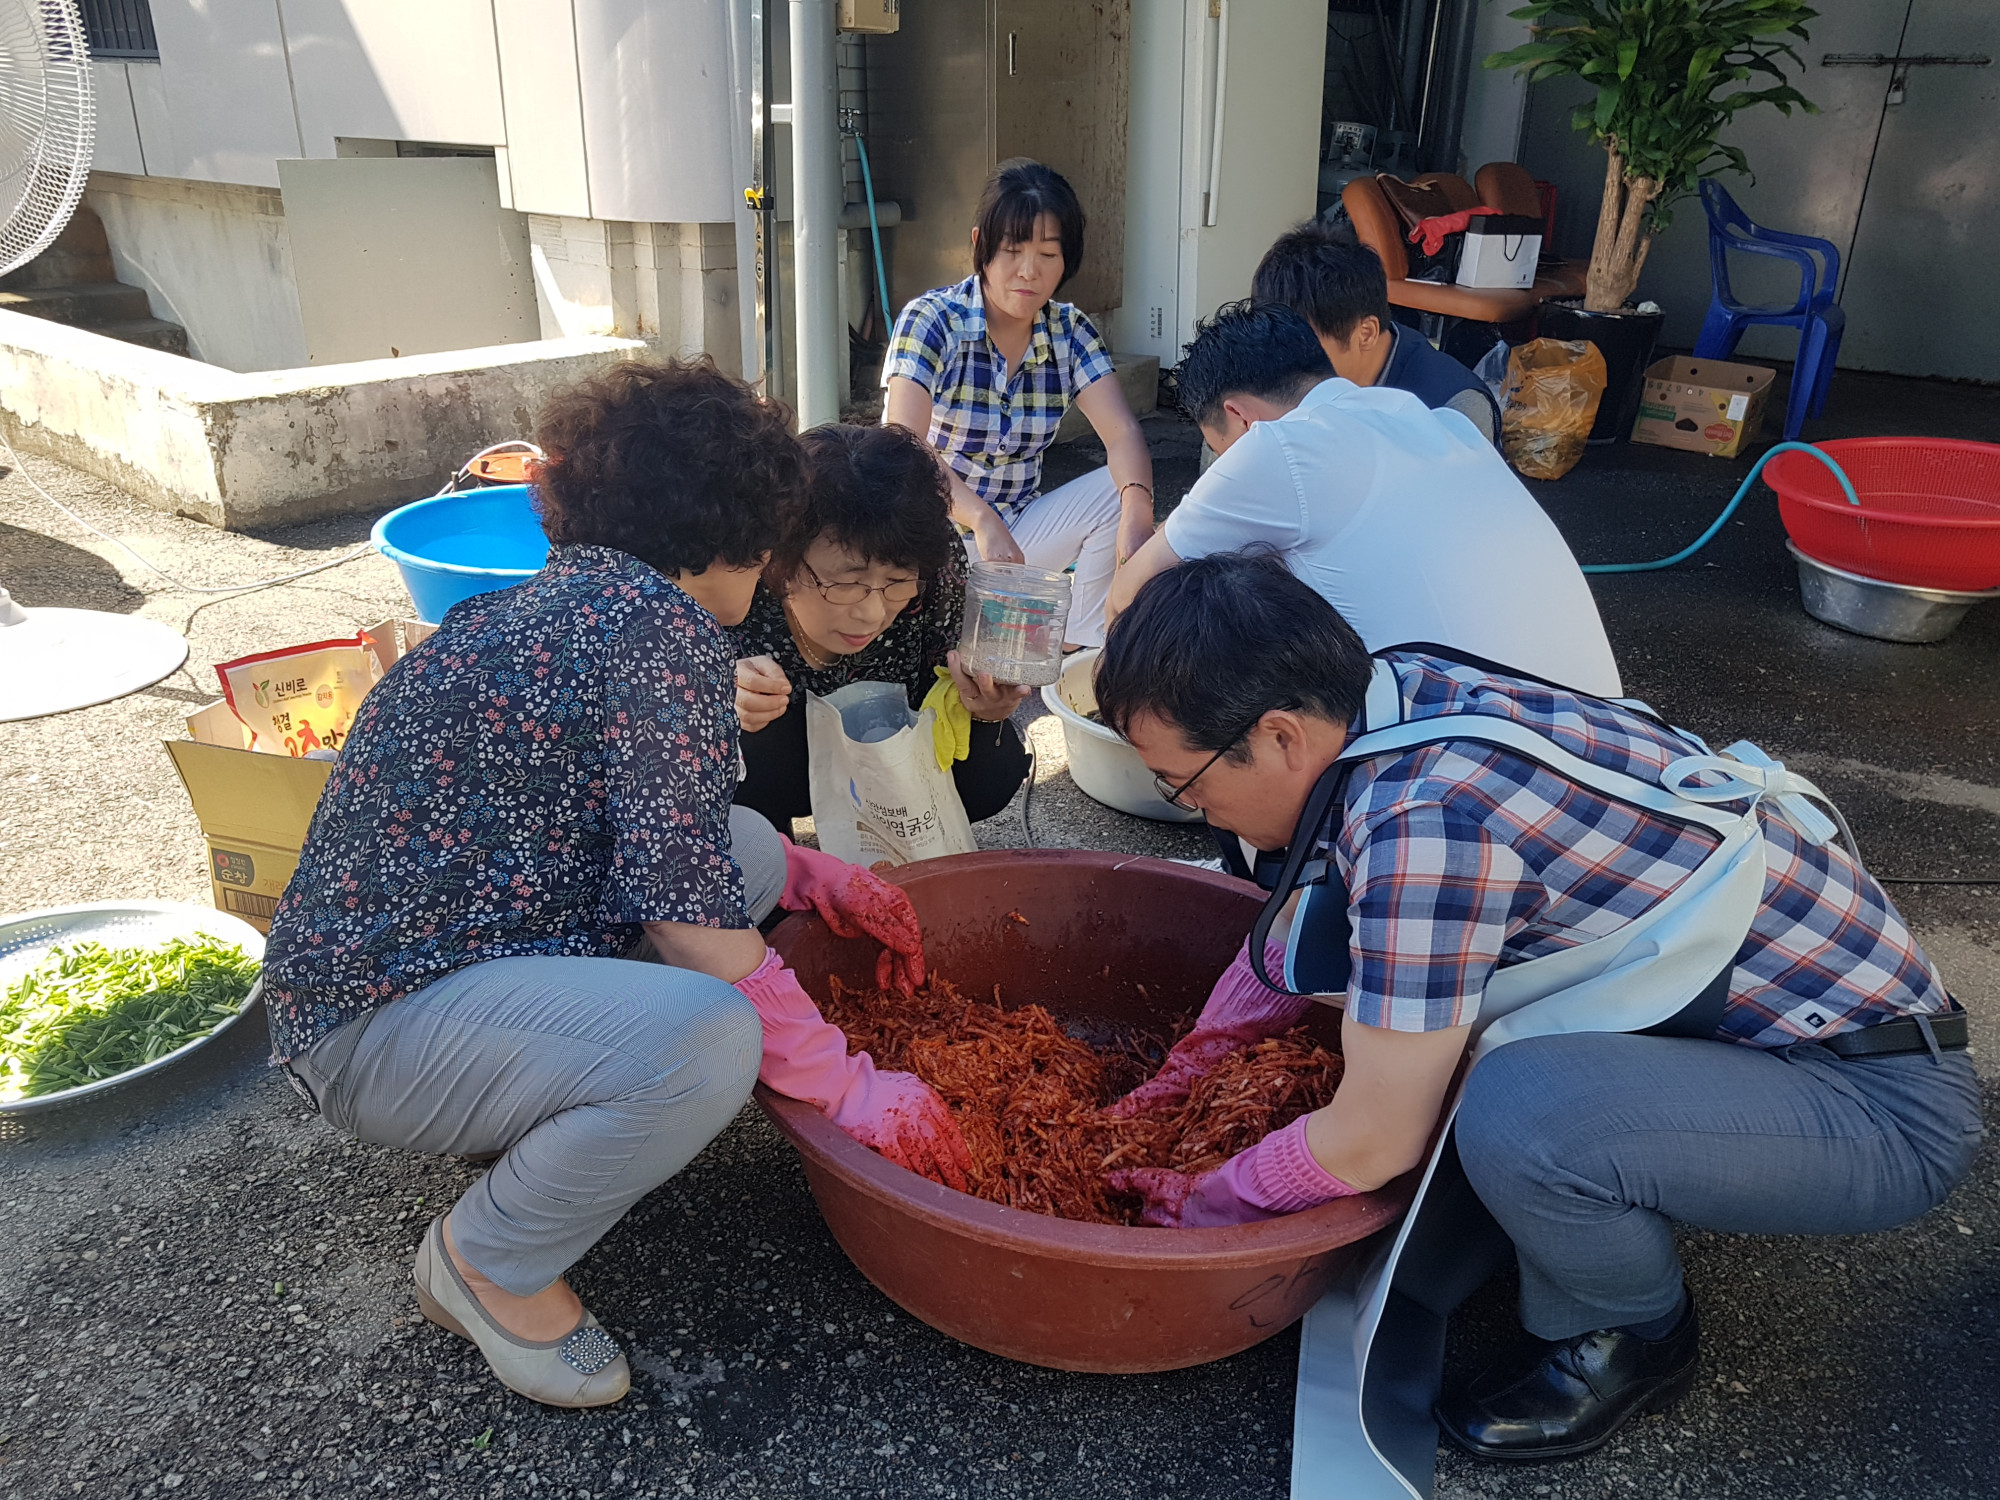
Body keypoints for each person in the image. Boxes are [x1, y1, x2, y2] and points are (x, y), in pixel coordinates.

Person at [1092, 552, 1978, 1478]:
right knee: (1473, 1082)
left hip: (1879, 1103)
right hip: (1768, 1033)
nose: (1189, 809)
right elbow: (1295, 933)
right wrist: (1172, 1084)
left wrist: (1197, 1201)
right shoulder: (1391, 694)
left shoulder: (1427, 817)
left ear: (1277, 737)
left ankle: (1636, 1334)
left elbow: (1372, 1142)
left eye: (1181, 784)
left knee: (1517, 1114)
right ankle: (1619, 1177)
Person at [260, 361, 969, 1411]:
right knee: (709, 1035)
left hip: (405, 978)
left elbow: (683, 848)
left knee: (750, 851)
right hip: (371, 1036)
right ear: (739, 534)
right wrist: (850, 1086)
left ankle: (530, 1117)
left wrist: (817, 877)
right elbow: (689, 930)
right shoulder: (664, 640)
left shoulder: (565, 602)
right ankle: (483, 1263)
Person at [1109, 300, 1622, 698]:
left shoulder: (1278, 445)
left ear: (1240, 415)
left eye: (1222, 451)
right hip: (1604, 741)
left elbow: (1130, 595)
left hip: (1476, 769)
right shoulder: (1438, 423)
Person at [882, 157, 1155, 650]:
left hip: (1018, 538)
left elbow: (1123, 434)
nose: (1029, 271)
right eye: (1012, 249)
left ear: (1067, 260)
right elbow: (903, 444)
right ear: (979, 247)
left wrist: (1139, 512)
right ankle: (978, 624)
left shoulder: (1070, 331)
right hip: (931, 539)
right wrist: (980, 518)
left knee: (1120, 489)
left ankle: (1079, 645)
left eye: (1048, 255)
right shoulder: (932, 320)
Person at [731, 423, 1032, 831]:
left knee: (990, 770)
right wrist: (721, 692)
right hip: (783, 763)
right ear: (780, 563)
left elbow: (955, 676)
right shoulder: (738, 580)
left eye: (896, 581)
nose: (872, 613)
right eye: (846, 583)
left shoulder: (935, 564)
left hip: (892, 750)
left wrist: (986, 708)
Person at [1253, 218, 1501, 443]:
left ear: (1366, 334)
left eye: (1302, 350)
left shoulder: (1452, 410)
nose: (1284, 368)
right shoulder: (1279, 369)